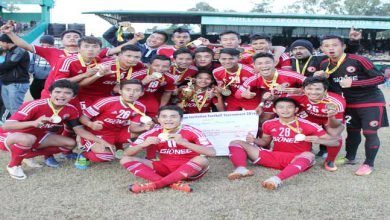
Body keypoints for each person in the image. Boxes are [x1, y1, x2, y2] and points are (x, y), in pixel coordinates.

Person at [0, 80, 112, 180]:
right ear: (50, 93)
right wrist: (33, 123)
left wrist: (100, 140)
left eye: (67, 93)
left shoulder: (71, 110)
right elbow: (6, 126)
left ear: (73, 96)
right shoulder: (34, 105)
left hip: (38, 136)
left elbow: (79, 130)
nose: (61, 95)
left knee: (69, 143)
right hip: (10, 136)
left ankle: (26, 154)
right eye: (57, 92)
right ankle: (14, 165)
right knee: (28, 138)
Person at [227, 97, 339, 190]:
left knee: (309, 155)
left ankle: (276, 179)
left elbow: (335, 142)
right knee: (235, 142)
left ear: (296, 109)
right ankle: (241, 169)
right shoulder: (268, 124)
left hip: (296, 158)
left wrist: (318, 140)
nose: (285, 110)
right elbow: (265, 142)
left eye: (289, 107)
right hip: (274, 156)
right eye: (281, 107)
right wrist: (254, 141)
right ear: (275, 110)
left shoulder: (308, 124)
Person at [317, 35, 388, 176]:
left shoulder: (358, 60)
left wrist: (354, 83)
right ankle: (350, 157)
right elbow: (333, 87)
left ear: (343, 46)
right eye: (326, 46)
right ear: (321, 49)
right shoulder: (325, 65)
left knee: (369, 132)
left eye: (335, 45)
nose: (331, 48)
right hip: (349, 103)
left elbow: (381, 77)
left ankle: (368, 164)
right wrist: (321, 79)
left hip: (370, 101)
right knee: (352, 132)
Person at [120, 105, 216, 193]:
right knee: (125, 159)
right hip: (165, 168)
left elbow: (212, 152)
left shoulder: (191, 131)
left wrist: (184, 142)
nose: (168, 119)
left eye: (173, 116)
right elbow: (127, 153)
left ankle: (156, 184)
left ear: (181, 119)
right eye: (164, 116)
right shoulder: (152, 132)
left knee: (202, 160)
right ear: (158, 119)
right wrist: (143, 144)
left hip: (188, 170)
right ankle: (172, 183)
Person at [77, 79, 154, 168]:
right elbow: (83, 117)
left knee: (154, 129)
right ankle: (84, 154)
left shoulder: (141, 107)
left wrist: (145, 127)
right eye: (128, 90)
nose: (132, 93)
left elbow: (133, 128)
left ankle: (150, 158)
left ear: (141, 93)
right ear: (120, 91)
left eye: (136, 90)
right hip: (98, 133)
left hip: (118, 131)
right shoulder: (107, 102)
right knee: (106, 156)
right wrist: (91, 124)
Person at [280, 76, 346, 171]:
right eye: (309, 89)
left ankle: (330, 160)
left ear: (325, 90)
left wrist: (331, 116)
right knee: (297, 127)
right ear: (303, 89)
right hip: (309, 116)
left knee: (335, 135)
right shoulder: (298, 95)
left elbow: (335, 125)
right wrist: (273, 94)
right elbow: (278, 98)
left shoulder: (336, 102)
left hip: (329, 119)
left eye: (318, 89)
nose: (313, 92)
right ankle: (304, 152)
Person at [290, 27, 362, 77]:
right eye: (294, 49)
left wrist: (354, 42)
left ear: (310, 50)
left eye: (302, 48)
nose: (298, 51)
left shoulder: (321, 58)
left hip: (315, 92)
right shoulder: (289, 61)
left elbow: (345, 53)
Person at [0, 34, 30, 119]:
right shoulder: (10, 51)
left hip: (17, 83)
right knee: (9, 108)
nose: (1, 45)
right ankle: (12, 127)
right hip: (7, 82)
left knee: (15, 108)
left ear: (6, 42)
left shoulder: (19, 51)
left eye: (1, 43)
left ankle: (20, 128)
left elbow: (9, 64)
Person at [29, 35, 55, 99]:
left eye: (48, 46)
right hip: (37, 78)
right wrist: (31, 71)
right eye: (42, 45)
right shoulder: (37, 53)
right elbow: (32, 62)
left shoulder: (54, 53)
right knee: (34, 91)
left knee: (48, 94)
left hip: (48, 79)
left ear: (52, 46)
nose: (45, 48)